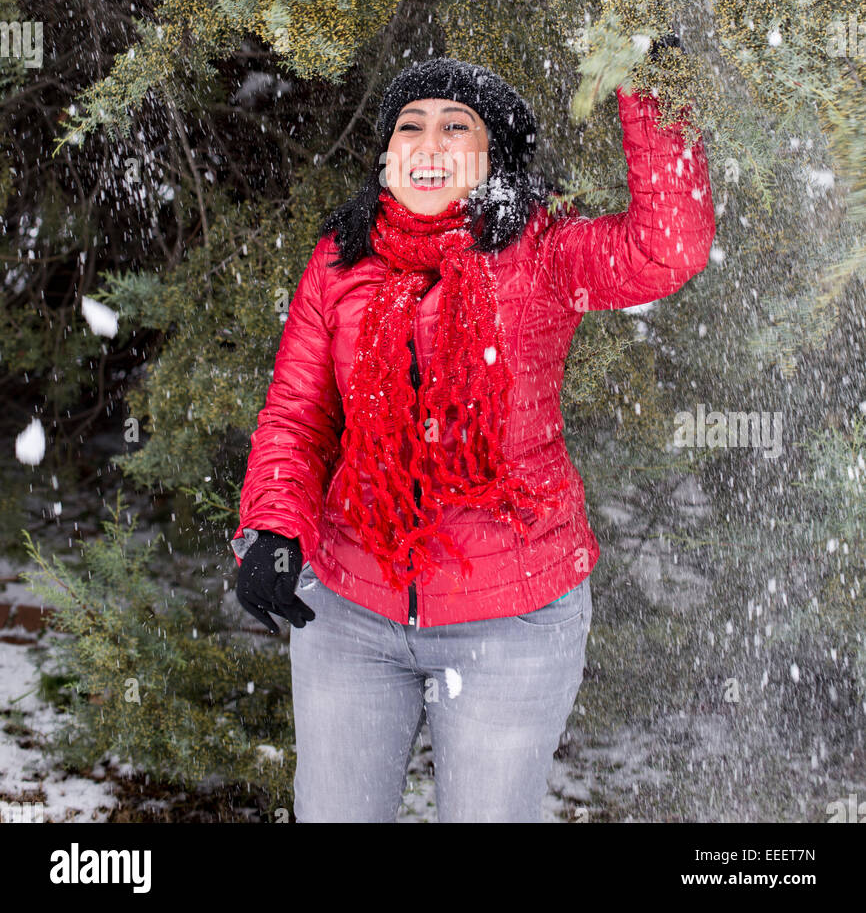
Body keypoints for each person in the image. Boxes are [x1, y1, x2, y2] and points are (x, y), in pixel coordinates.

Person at [231, 52, 715, 822]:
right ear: (386, 157)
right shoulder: (339, 260)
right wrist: (273, 527)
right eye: (409, 127)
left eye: (457, 127)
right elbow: (298, 412)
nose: (429, 143)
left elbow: (668, 250)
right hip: (351, 609)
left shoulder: (545, 252)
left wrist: (646, 83)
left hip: (512, 622)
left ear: (494, 158)